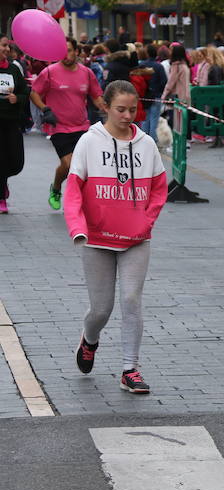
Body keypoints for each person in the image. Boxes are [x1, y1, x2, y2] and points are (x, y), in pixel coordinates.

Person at [64, 80, 167, 394]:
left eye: (132, 109)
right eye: (120, 109)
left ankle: (129, 368)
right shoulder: (89, 142)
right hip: (96, 238)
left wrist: (145, 222)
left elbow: (159, 189)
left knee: (131, 300)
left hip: (136, 238)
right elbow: (73, 192)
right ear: (105, 107)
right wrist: (77, 227)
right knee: (101, 309)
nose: (127, 115)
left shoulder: (147, 144)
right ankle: (89, 339)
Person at [30, 37, 105, 210]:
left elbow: (96, 96)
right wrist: (45, 109)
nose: (66, 54)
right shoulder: (49, 72)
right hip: (59, 126)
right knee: (68, 164)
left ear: (77, 52)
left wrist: (108, 108)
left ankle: (78, 197)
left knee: (81, 166)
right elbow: (34, 93)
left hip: (81, 126)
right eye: (62, 51)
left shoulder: (86, 73)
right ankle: (56, 188)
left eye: (69, 50)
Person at [0, 35, 27, 213]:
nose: (7, 49)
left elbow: (25, 92)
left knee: (15, 160)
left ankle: (3, 181)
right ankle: (1, 196)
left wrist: (17, 98)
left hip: (11, 122)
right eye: (3, 46)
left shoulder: (13, 69)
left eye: (7, 46)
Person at [161, 44, 190, 140]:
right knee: (184, 120)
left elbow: (170, 83)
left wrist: (164, 95)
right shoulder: (185, 65)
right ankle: (186, 140)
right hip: (185, 96)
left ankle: (176, 140)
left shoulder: (176, 66)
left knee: (174, 120)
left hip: (176, 96)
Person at [138, 44, 167, 142]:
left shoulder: (142, 66)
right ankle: (153, 139)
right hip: (156, 96)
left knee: (145, 119)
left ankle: (143, 138)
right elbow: (164, 81)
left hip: (144, 95)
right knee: (154, 118)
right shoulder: (159, 66)